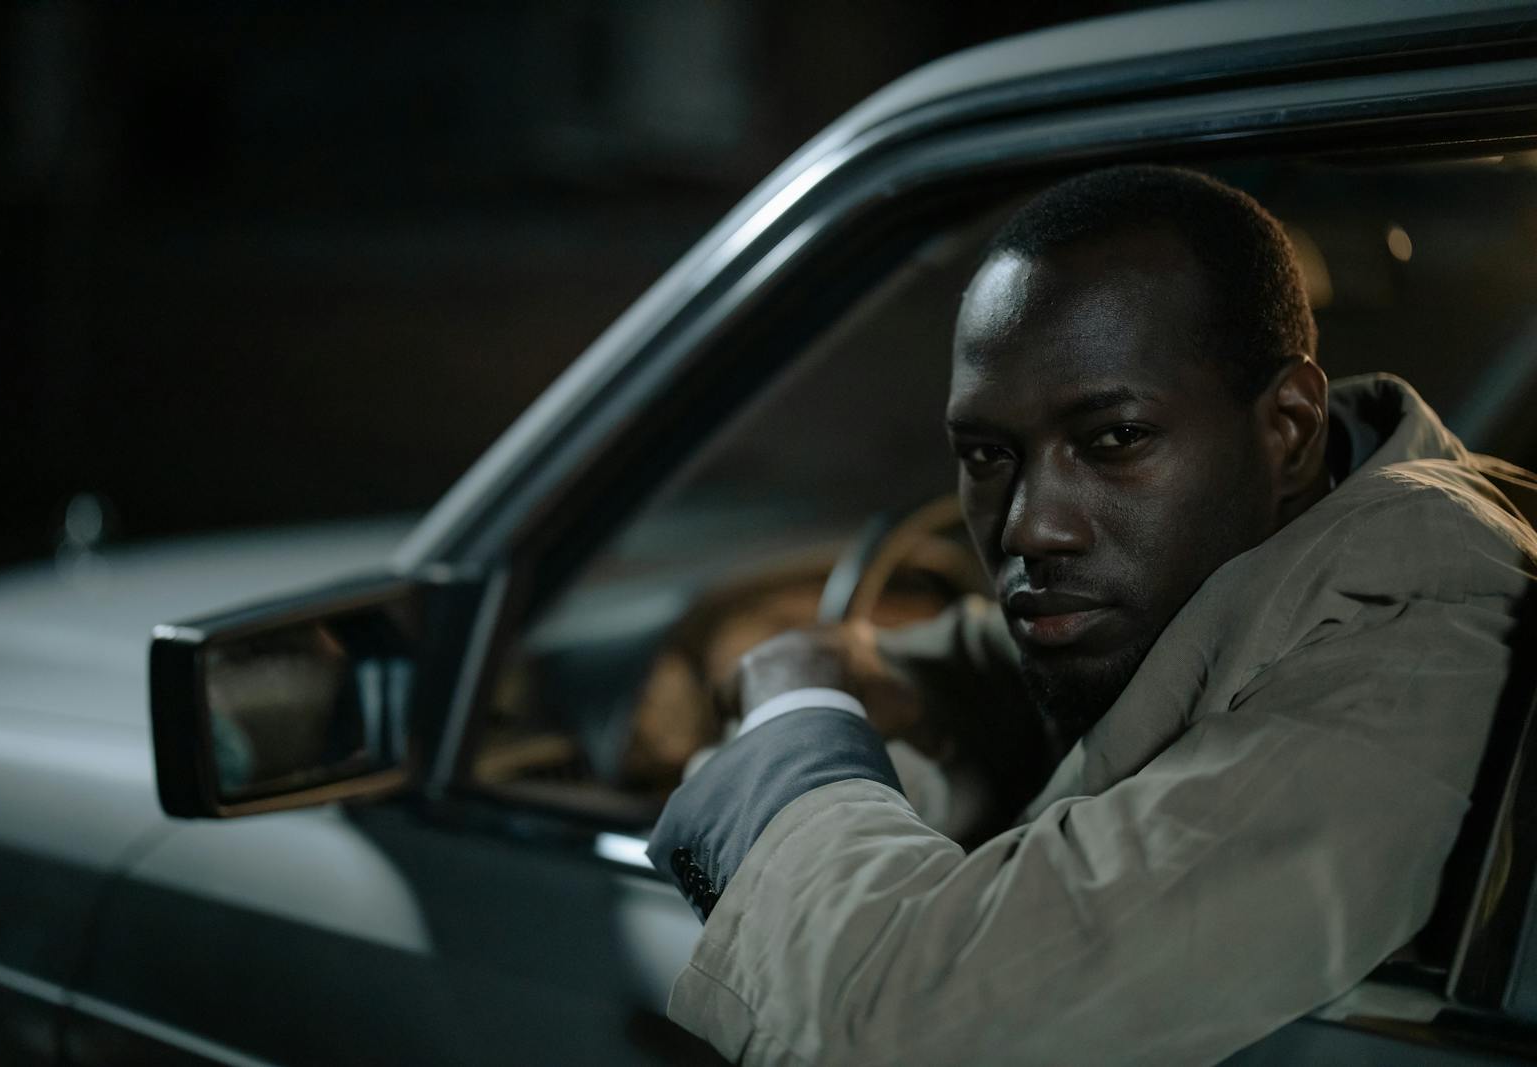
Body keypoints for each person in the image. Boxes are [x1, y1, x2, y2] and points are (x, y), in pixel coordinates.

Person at [646, 165, 1537, 1065]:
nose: (1032, 523)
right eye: (990, 453)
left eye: (1114, 439)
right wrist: (863, 687)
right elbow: (980, 668)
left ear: (1290, 429)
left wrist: (797, 715)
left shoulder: (1422, 642)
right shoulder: (1240, 566)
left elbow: (898, 1035)